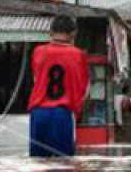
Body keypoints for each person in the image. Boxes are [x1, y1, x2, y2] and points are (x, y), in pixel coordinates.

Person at [27, 15, 90, 157]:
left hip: (38, 113)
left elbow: (36, 80)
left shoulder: (38, 51)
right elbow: (84, 89)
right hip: (62, 114)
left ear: (50, 32)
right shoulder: (78, 55)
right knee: (64, 166)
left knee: (38, 166)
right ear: (73, 34)